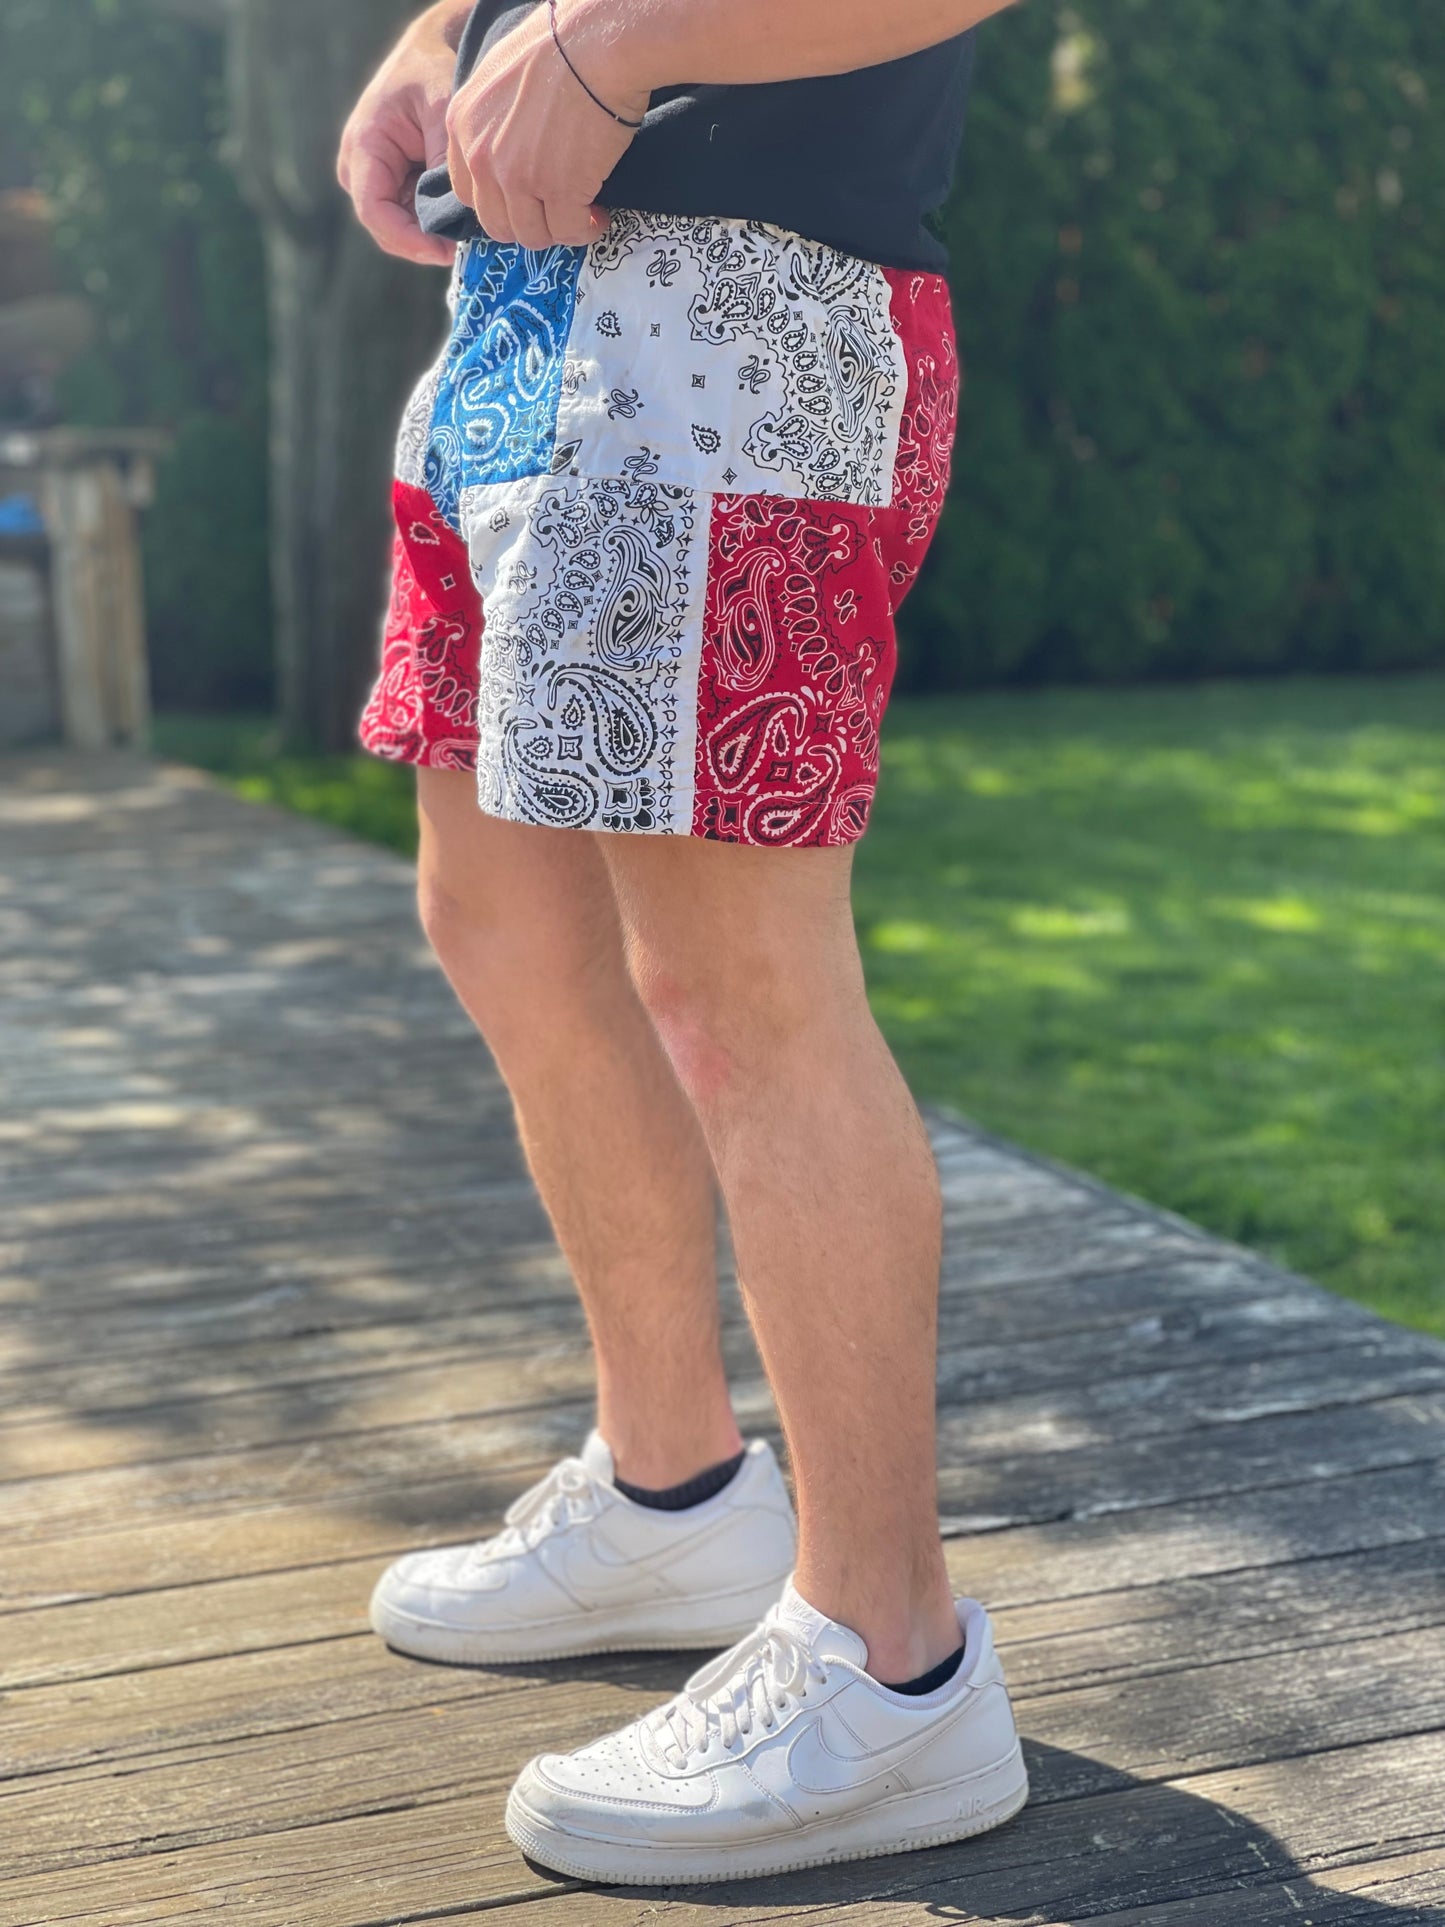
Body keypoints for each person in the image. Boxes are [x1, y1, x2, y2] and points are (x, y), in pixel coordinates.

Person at [339, 0, 1026, 1884]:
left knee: (737, 994)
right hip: (520, 312)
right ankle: (672, 1491)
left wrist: (610, 46)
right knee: (498, 919)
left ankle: (892, 1672)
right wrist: (445, 38)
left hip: (747, 315)